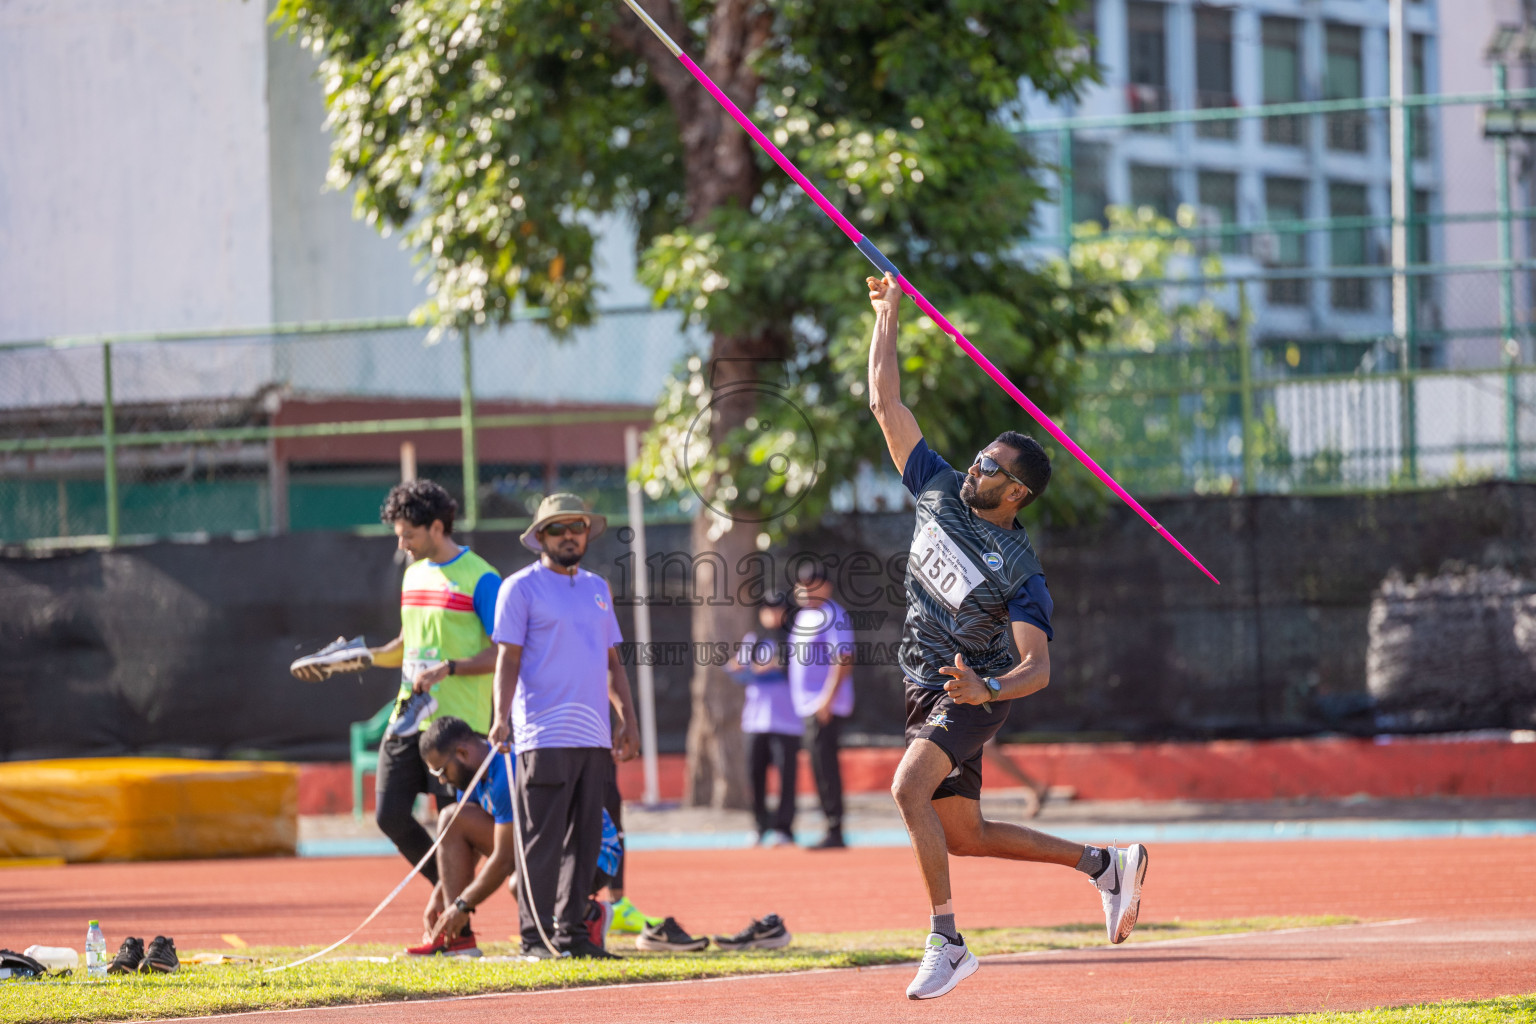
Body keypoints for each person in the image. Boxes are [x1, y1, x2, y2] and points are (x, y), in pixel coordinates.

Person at [864, 272, 1148, 1000]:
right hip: (924, 685)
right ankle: (1105, 865)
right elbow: (884, 402)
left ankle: (947, 939)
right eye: (981, 456)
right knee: (964, 833)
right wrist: (888, 316)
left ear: (1016, 492)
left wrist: (989, 686)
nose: (977, 466)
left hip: (976, 691)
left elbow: (1037, 667)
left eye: (991, 465)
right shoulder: (934, 484)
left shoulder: (1020, 567)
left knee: (907, 790)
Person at [488, 493, 642, 959]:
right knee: (542, 840)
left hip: (594, 737)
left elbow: (612, 662)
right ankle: (534, 940)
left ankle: (573, 936)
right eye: (557, 529)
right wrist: (501, 718)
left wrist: (628, 720)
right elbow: (506, 659)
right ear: (540, 537)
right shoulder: (520, 588)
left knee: (587, 841)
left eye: (576, 527)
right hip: (542, 735)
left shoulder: (598, 587)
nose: (569, 535)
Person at [356, 480, 501, 940]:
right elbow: (405, 645)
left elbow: (506, 652)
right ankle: (450, 891)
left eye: (408, 535)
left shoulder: (482, 577)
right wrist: (360, 658)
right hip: (407, 717)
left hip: (458, 731)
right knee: (388, 814)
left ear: (437, 527)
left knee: (452, 827)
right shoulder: (413, 574)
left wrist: (451, 667)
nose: (401, 544)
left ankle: (458, 933)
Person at [411, 716, 515, 957]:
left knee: (518, 884)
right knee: (453, 820)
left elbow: (506, 857)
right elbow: (470, 844)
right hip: (536, 854)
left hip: (589, 854)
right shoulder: (470, 778)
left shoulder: (504, 774)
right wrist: (439, 896)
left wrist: (461, 905)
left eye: (442, 769)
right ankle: (456, 940)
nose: (442, 779)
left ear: (462, 753)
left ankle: (588, 914)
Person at [788, 563, 854, 850]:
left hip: (824, 706)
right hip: (805, 706)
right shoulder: (803, 617)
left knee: (826, 768)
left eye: (812, 584)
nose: (806, 590)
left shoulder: (833, 615)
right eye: (802, 584)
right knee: (817, 767)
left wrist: (826, 700)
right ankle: (830, 825)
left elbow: (844, 658)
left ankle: (835, 829)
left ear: (826, 586)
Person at [726, 593, 800, 846]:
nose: (772, 614)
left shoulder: (794, 638)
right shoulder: (753, 639)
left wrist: (773, 667)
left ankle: (784, 829)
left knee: (786, 777)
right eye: (767, 609)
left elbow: (797, 669)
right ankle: (760, 826)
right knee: (755, 775)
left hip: (787, 721)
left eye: (778, 609)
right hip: (755, 721)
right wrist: (755, 669)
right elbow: (737, 669)